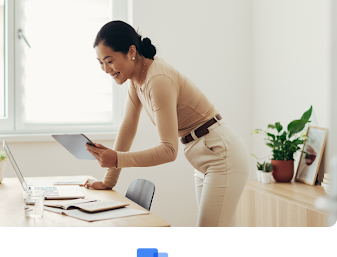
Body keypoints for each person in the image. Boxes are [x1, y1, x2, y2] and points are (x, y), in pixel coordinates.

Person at [83, 20, 250, 227]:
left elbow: (169, 150)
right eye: (100, 62)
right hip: (203, 154)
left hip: (221, 154)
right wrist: (109, 180)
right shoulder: (137, 81)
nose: (106, 69)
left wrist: (117, 158)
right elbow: (127, 128)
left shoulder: (157, 79)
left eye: (109, 60)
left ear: (131, 51)